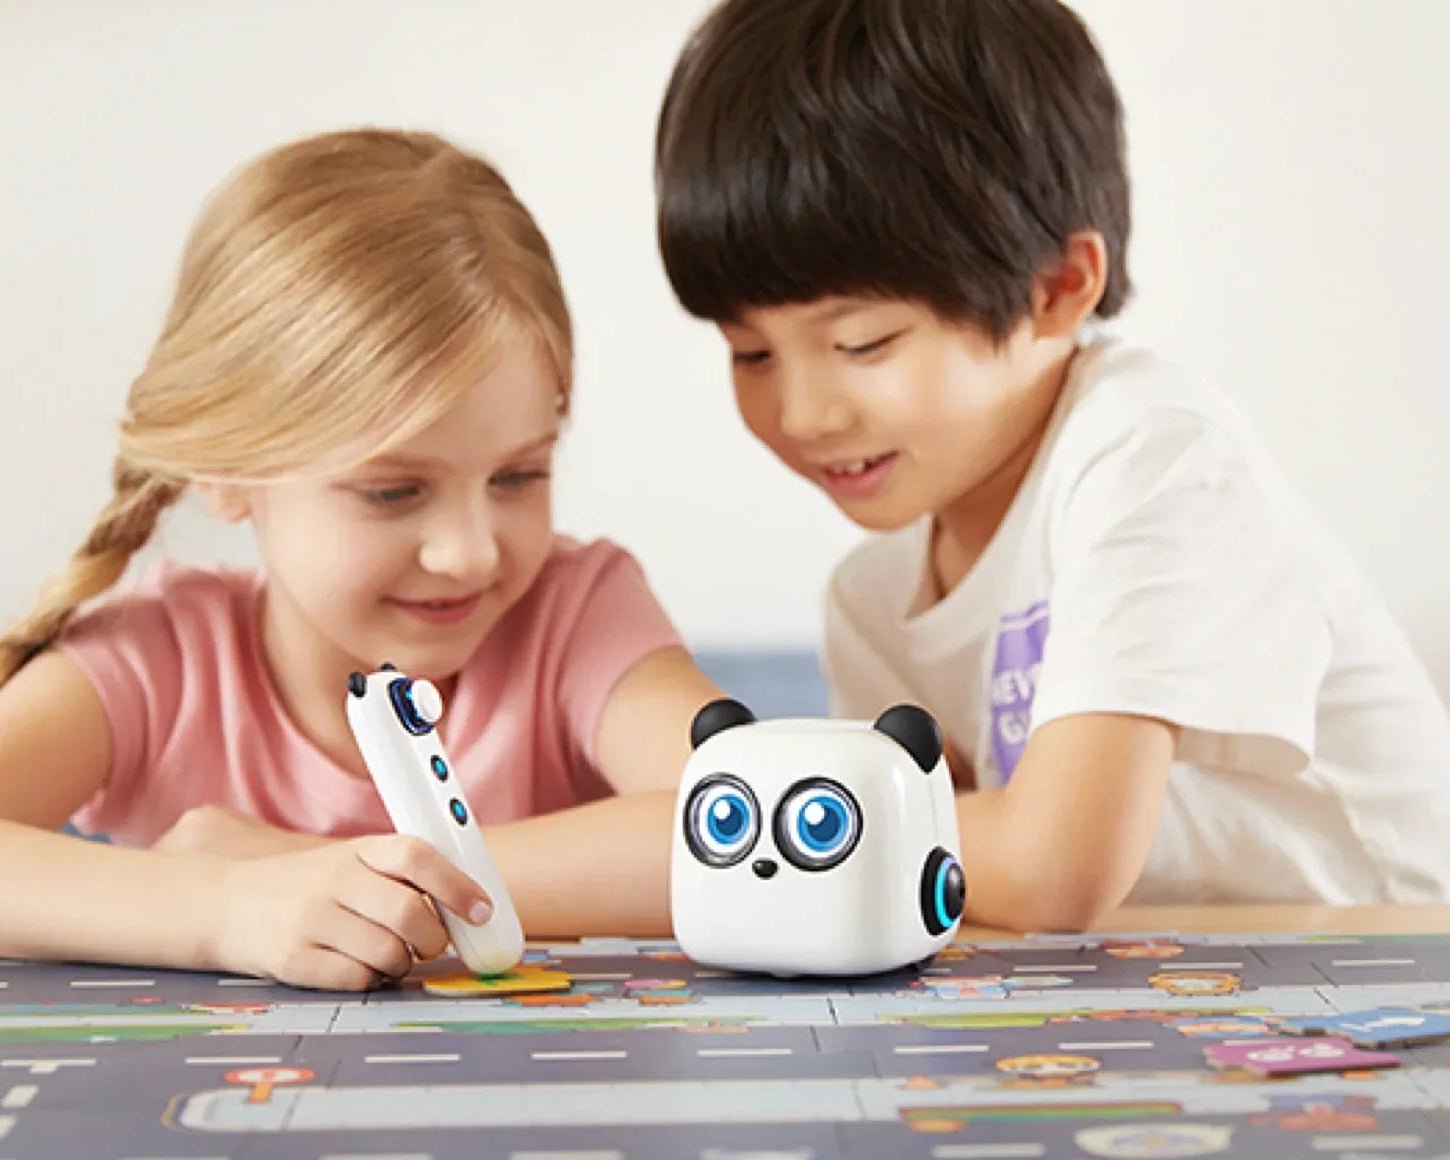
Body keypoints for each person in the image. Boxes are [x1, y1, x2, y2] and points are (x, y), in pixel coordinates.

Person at [653, 0, 1450, 927]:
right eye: (750, 353)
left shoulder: (1152, 453)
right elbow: (899, 890)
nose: (800, 413)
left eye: (864, 343)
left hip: (1384, 968)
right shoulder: (871, 605)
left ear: (1059, 287)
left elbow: (1048, 868)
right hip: (1141, 995)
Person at [0, 128, 721, 989]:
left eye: (519, 474)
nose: (470, 552)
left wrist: (334, 869)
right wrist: (225, 907)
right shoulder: (155, 661)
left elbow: (769, 826)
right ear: (230, 472)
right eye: (394, 491)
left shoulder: (576, 612)